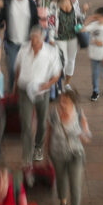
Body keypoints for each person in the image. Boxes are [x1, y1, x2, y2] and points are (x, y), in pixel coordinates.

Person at [14, 26, 62, 166]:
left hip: (42, 91)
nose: (33, 40)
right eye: (32, 37)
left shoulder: (51, 52)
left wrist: (48, 85)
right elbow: (17, 68)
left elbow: (56, 74)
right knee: (27, 124)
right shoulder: (23, 49)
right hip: (24, 90)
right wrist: (15, 86)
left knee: (42, 121)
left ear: (42, 38)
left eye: (36, 38)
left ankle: (38, 147)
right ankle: (27, 156)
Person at [48, 88, 91, 205]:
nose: (62, 104)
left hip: (75, 154)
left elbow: (87, 137)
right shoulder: (54, 113)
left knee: (75, 186)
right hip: (57, 152)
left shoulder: (79, 114)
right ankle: (63, 204)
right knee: (60, 179)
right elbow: (49, 130)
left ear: (73, 102)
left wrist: (81, 132)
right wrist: (48, 150)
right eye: (61, 100)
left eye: (65, 102)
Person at [49, 0, 86, 87]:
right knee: (62, 61)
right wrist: (51, 38)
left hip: (73, 36)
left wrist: (83, 11)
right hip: (60, 36)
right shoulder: (54, 5)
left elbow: (79, 17)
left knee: (71, 60)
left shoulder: (74, 2)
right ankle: (59, 81)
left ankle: (67, 84)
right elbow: (51, 22)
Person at [81, 7, 103, 101]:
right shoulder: (94, 25)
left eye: (99, 17)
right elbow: (82, 29)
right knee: (95, 74)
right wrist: (89, 19)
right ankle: (95, 91)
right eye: (97, 16)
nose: (97, 18)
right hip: (94, 55)